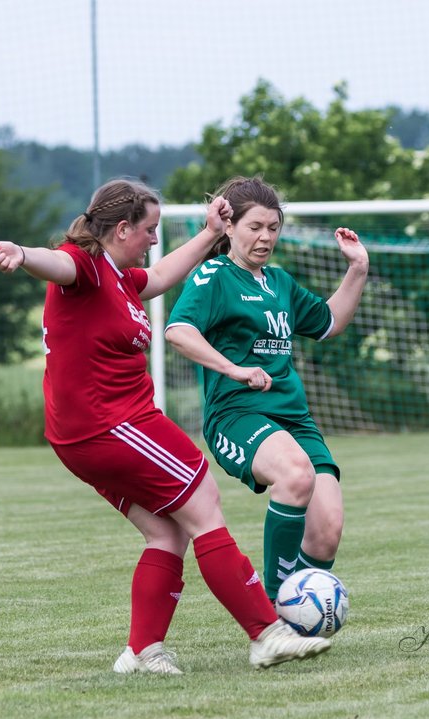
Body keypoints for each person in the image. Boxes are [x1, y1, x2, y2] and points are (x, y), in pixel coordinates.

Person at [0, 178, 330, 672]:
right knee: (204, 504)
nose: (154, 240)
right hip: (113, 425)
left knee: (167, 533)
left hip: (86, 434)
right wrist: (21, 252)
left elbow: (164, 274)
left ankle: (142, 650)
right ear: (122, 229)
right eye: (149, 229)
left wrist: (211, 233)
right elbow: (55, 262)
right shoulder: (83, 267)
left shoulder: (121, 280)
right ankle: (266, 633)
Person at [164, 176, 369, 603]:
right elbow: (178, 331)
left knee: (327, 528)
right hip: (237, 416)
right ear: (230, 228)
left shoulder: (278, 282)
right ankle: (274, 611)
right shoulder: (214, 276)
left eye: (273, 227)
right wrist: (233, 369)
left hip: (294, 418)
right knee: (295, 474)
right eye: (255, 226)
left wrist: (357, 268)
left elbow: (330, 323)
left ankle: (300, 613)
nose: (265, 237)